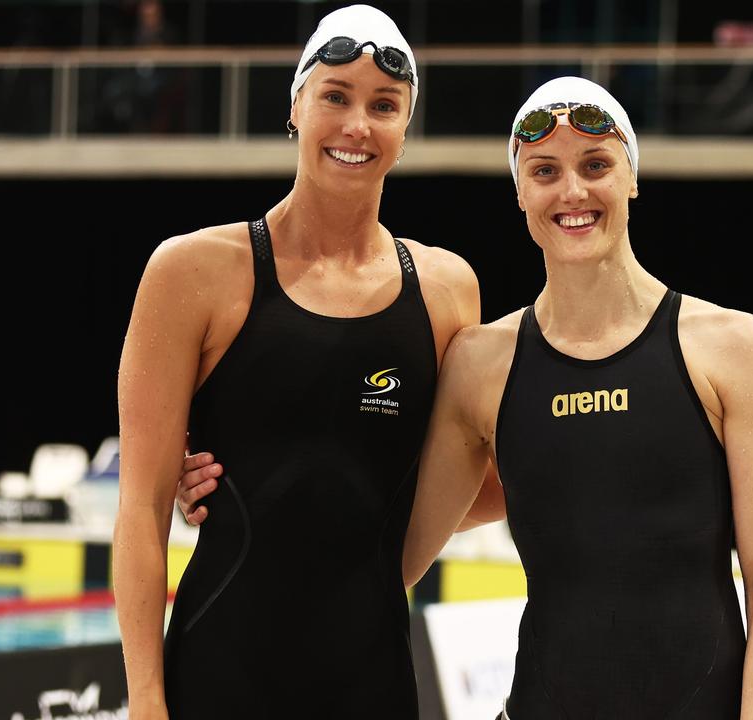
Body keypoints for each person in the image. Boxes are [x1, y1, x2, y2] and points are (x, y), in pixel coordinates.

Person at [180, 76, 753, 719]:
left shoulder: (732, 349)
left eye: (595, 166)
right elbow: (386, 542)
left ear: (632, 177)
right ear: (520, 191)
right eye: (544, 171)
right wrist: (234, 486)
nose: (572, 192)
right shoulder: (484, 364)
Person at [112, 6, 480, 719]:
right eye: (335, 95)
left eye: (384, 106)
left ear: (405, 129)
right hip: (222, 672)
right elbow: (141, 507)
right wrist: (147, 701)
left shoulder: (446, 292)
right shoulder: (193, 272)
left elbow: (478, 476)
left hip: (372, 681)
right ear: (295, 106)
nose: (357, 125)